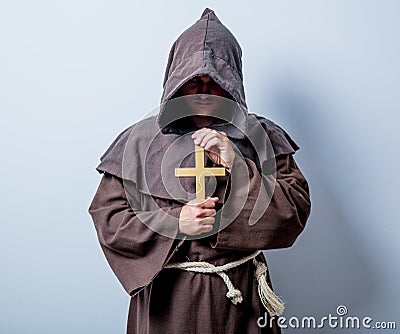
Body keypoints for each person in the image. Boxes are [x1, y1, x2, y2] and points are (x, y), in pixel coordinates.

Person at [88, 8, 311, 334]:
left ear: (232, 81)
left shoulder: (262, 137)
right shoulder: (138, 143)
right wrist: (175, 224)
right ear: (177, 80)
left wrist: (237, 165)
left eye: (215, 82)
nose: (204, 93)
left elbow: (294, 209)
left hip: (241, 301)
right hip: (169, 303)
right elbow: (109, 217)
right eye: (194, 82)